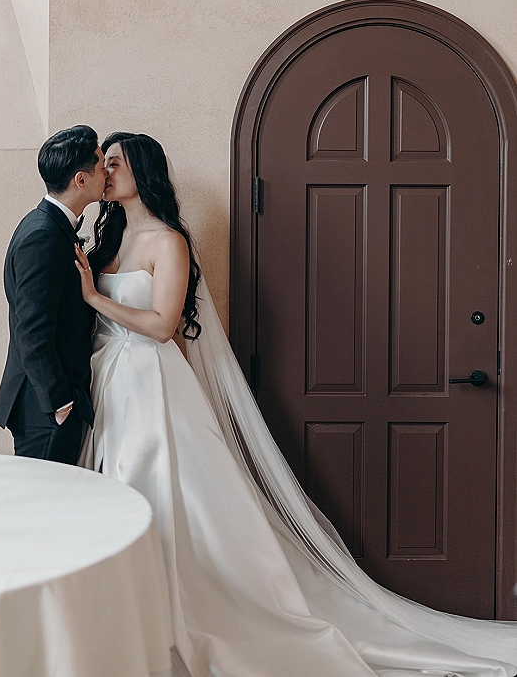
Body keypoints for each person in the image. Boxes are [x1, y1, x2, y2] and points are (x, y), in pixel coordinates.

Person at [76, 132, 517, 677]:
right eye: (103, 163)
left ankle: (180, 615)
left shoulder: (167, 242)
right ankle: (128, 615)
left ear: (143, 169)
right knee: (121, 495)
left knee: (168, 497)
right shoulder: (108, 239)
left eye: (114, 162)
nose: (105, 170)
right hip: (112, 381)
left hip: (152, 385)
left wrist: (95, 298)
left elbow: (165, 326)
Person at [0, 125, 107, 464]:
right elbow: (31, 329)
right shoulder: (42, 235)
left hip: (51, 402)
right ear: (81, 179)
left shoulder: (52, 227)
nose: (106, 173)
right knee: (39, 508)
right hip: (44, 406)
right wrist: (60, 404)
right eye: (101, 165)